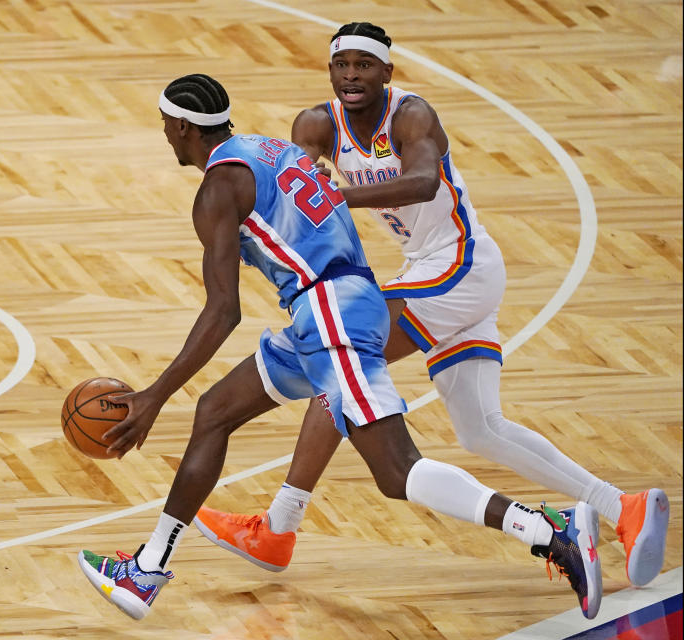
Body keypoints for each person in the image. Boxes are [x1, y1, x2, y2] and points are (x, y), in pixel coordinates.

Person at [77, 73, 602, 621]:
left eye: (165, 126)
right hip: (337, 305)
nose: (165, 134)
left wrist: (154, 396)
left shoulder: (216, 190)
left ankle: (547, 529)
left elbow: (222, 311)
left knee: (398, 472)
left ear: (182, 126)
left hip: (330, 315)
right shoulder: (272, 150)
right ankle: (147, 570)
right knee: (214, 411)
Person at [192, 22, 669, 591]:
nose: (351, 76)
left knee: (339, 365)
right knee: (481, 428)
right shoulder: (316, 124)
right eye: (341, 65)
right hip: (431, 269)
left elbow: (420, 182)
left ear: (387, 73)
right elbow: (302, 187)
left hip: (458, 265)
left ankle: (279, 525)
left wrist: (338, 195)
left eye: (364, 66)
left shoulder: (412, 116)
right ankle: (624, 507)